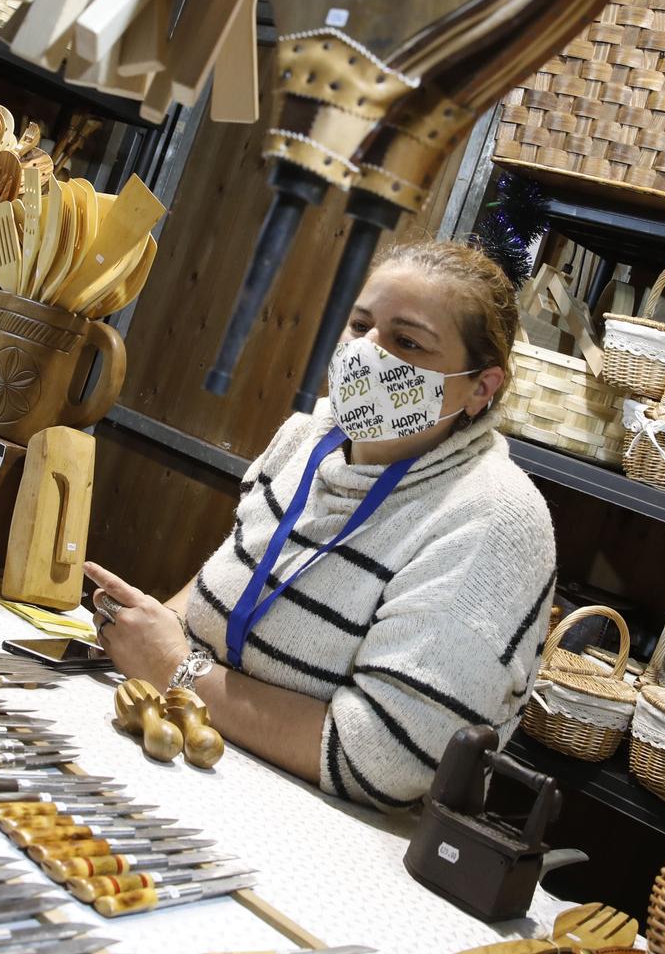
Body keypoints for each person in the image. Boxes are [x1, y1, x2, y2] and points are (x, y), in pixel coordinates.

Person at [86, 240, 557, 811]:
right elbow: (230, 573)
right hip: (193, 767)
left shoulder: (494, 520)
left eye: (407, 342)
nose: (367, 352)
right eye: (361, 326)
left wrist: (176, 670)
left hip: (320, 837)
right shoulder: (311, 434)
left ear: (481, 387)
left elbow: (385, 759)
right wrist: (154, 626)